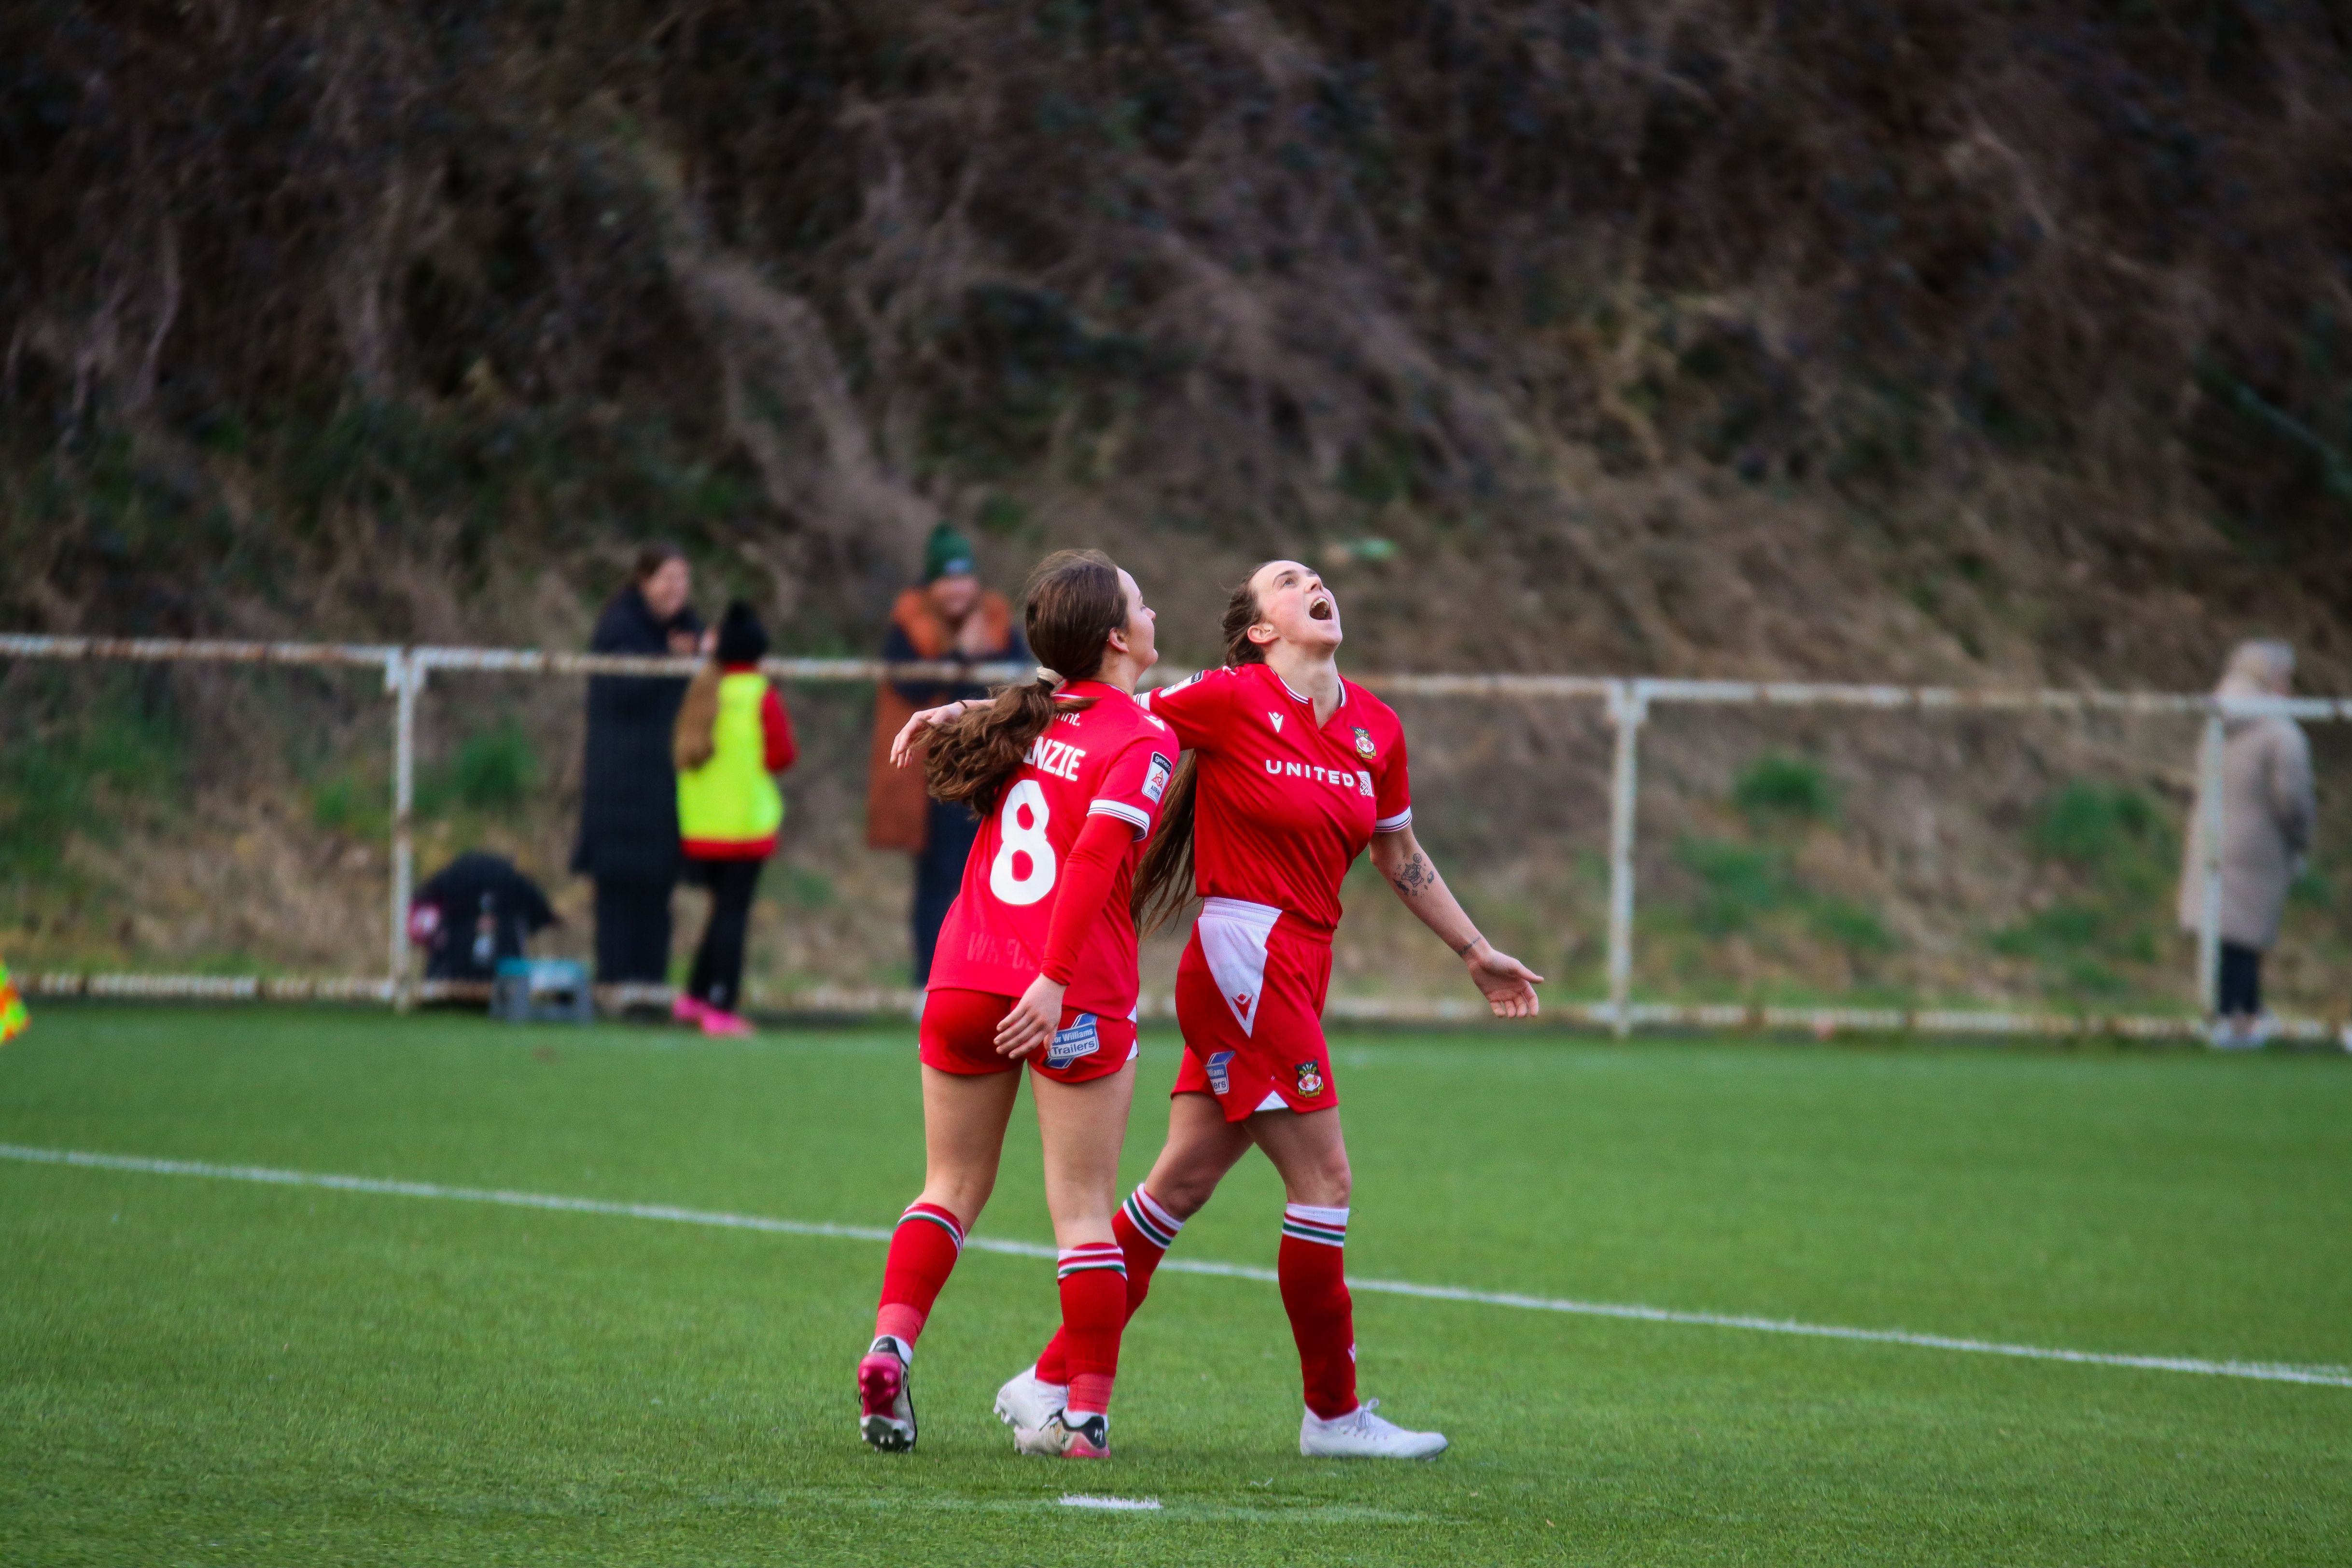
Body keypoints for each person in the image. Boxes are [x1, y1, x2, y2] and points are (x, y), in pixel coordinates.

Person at [984, 560, 1545, 1459]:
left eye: (1318, 576)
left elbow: (1396, 849)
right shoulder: (1229, 697)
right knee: (1324, 1182)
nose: (1315, 582)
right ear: (1258, 629)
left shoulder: (1375, 727)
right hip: (1245, 955)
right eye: (1290, 581)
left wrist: (1473, 950)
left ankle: (1049, 1376)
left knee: (1178, 1185)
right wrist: (977, 719)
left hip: (1299, 962)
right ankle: (1333, 1414)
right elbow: (1103, 717)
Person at [857, 550, 1176, 1461]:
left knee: (948, 1187)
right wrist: (1052, 976)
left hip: (962, 972)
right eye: (1142, 601)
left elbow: (1036, 708)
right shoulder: (1139, 737)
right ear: (1117, 638)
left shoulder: (1032, 711)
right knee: (1081, 1209)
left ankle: (892, 1344)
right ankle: (1084, 1419)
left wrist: (963, 708)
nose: (1155, 612)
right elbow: (1092, 862)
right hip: (1066, 986)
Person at [866, 523, 1029, 984]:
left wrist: (971, 663)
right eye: (947, 579)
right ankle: (930, 981)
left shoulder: (994, 619)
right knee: (937, 884)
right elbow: (909, 683)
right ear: (931, 584)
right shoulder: (911, 621)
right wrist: (960, 657)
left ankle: (985, 978)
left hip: (990, 770)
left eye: (964, 579)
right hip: (932, 779)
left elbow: (1015, 685)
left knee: (989, 882)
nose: (958, 590)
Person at [573, 544, 707, 989]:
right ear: (643, 581)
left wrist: (696, 658)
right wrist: (670, 665)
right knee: (618, 890)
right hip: (618, 782)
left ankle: (652, 985)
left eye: (683, 580)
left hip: (666, 784)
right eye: (667, 579)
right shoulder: (620, 627)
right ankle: (616, 983)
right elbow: (624, 691)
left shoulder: (690, 630)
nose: (677, 590)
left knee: (657, 888)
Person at [2179, 639, 2316, 1049]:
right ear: (2271, 679)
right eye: (2286, 678)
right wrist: (2302, 837)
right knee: (2249, 935)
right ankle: (2240, 1018)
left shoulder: (2217, 719)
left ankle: (2233, 1011)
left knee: (2225, 933)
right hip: (2260, 845)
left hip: (2212, 834)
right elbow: (2292, 798)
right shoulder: (2280, 731)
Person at [672, 602, 799, 1037]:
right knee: (733, 916)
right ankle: (721, 1005)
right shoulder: (760, 693)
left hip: (701, 826)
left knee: (718, 911)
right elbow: (782, 755)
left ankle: (694, 996)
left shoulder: (704, 689)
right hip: (744, 827)